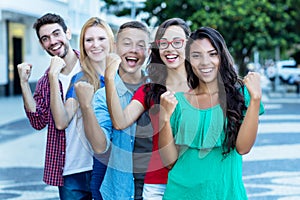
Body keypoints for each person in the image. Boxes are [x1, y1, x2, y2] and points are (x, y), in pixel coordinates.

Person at [158, 27, 265, 200]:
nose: (205, 62)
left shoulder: (241, 96)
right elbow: (169, 162)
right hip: (181, 194)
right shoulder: (177, 101)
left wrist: (255, 98)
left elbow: (243, 148)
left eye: (212, 54)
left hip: (226, 194)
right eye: (196, 55)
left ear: (221, 57)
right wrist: (164, 118)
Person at [104, 18, 190, 200]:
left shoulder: (202, 89)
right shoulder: (149, 90)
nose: (170, 48)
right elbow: (120, 122)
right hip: (156, 184)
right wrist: (109, 78)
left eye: (177, 42)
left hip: (191, 180)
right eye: (164, 43)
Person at [17, 13, 92, 199]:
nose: (52, 41)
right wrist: (24, 83)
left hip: (100, 165)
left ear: (68, 33)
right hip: (69, 171)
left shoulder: (91, 67)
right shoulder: (45, 81)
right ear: (42, 45)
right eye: (45, 38)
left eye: (56, 33)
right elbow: (38, 121)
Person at [75, 21, 151, 200]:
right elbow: (100, 147)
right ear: (115, 47)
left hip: (158, 189)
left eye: (140, 45)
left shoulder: (159, 90)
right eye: (127, 43)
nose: (133, 49)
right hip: (121, 189)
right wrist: (86, 107)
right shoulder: (103, 96)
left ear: (148, 51)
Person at [51, 17, 114, 200]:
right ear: (83, 44)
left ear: (110, 41)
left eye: (101, 39)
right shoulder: (80, 80)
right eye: (89, 40)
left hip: (114, 169)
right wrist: (53, 77)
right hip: (81, 168)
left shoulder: (123, 78)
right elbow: (61, 121)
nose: (95, 45)